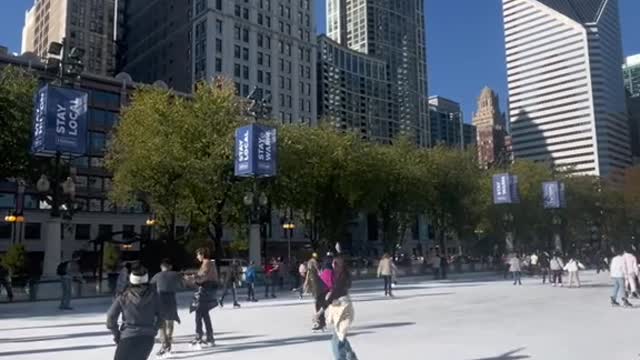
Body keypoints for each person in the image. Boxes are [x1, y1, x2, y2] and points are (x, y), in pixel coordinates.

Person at [107, 264, 162, 360]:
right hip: (147, 337)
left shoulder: (123, 297)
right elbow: (162, 316)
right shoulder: (155, 296)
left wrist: (117, 334)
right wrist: (154, 329)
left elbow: (111, 318)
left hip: (128, 336)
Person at [185, 247, 219, 348]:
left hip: (205, 292)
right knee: (204, 314)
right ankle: (210, 338)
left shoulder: (206, 263)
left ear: (202, 255)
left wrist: (192, 277)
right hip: (209, 291)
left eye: (198, 254)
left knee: (199, 313)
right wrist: (195, 276)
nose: (197, 256)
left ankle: (199, 337)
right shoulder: (211, 263)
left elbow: (202, 277)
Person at [326, 255, 358, 360]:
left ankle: (346, 357)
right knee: (341, 337)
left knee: (337, 340)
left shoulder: (343, 278)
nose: (333, 265)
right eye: (333, 263)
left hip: (344, 310)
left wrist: (320, 311)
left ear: (342, 266)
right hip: (338, 309)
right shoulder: (334, 275)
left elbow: (334, 293)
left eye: (336, 263)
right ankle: (351, 356)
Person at [150, 258, 183, 357]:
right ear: (170, 267)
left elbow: (150, 286)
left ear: (161, 267)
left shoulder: (157, 275)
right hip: (172, 300)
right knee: (170, 321)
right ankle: (169, 338)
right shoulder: (175, 275)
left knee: (161, 323)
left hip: (160, 300)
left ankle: (165, 343)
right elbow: (182, 284)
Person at [305, 253, 328, 331]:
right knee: (319, 304)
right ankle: (321, 323)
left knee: (318, 304)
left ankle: (320, 322)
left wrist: (306, 283)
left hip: (317, 287)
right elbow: (309, 275)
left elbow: (310, 275)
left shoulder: (312, 266)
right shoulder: (313, 266)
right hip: (317, 287)